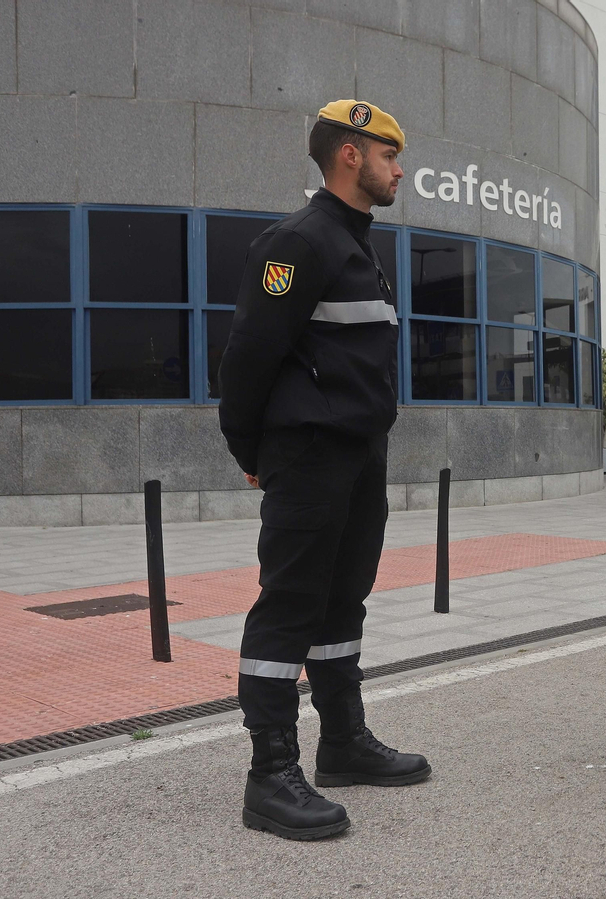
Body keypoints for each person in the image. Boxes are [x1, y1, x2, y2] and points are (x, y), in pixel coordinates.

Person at [218, 100, 429, 841]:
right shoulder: (298, 243)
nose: (398, 167)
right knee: (289, 604)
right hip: (308, 454)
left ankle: (342, 740)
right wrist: (253, 453)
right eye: (389, 154)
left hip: (358, 454)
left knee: (344, 601)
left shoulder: (358, 245)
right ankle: (269, 774)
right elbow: (248, 356)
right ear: (350, 155)